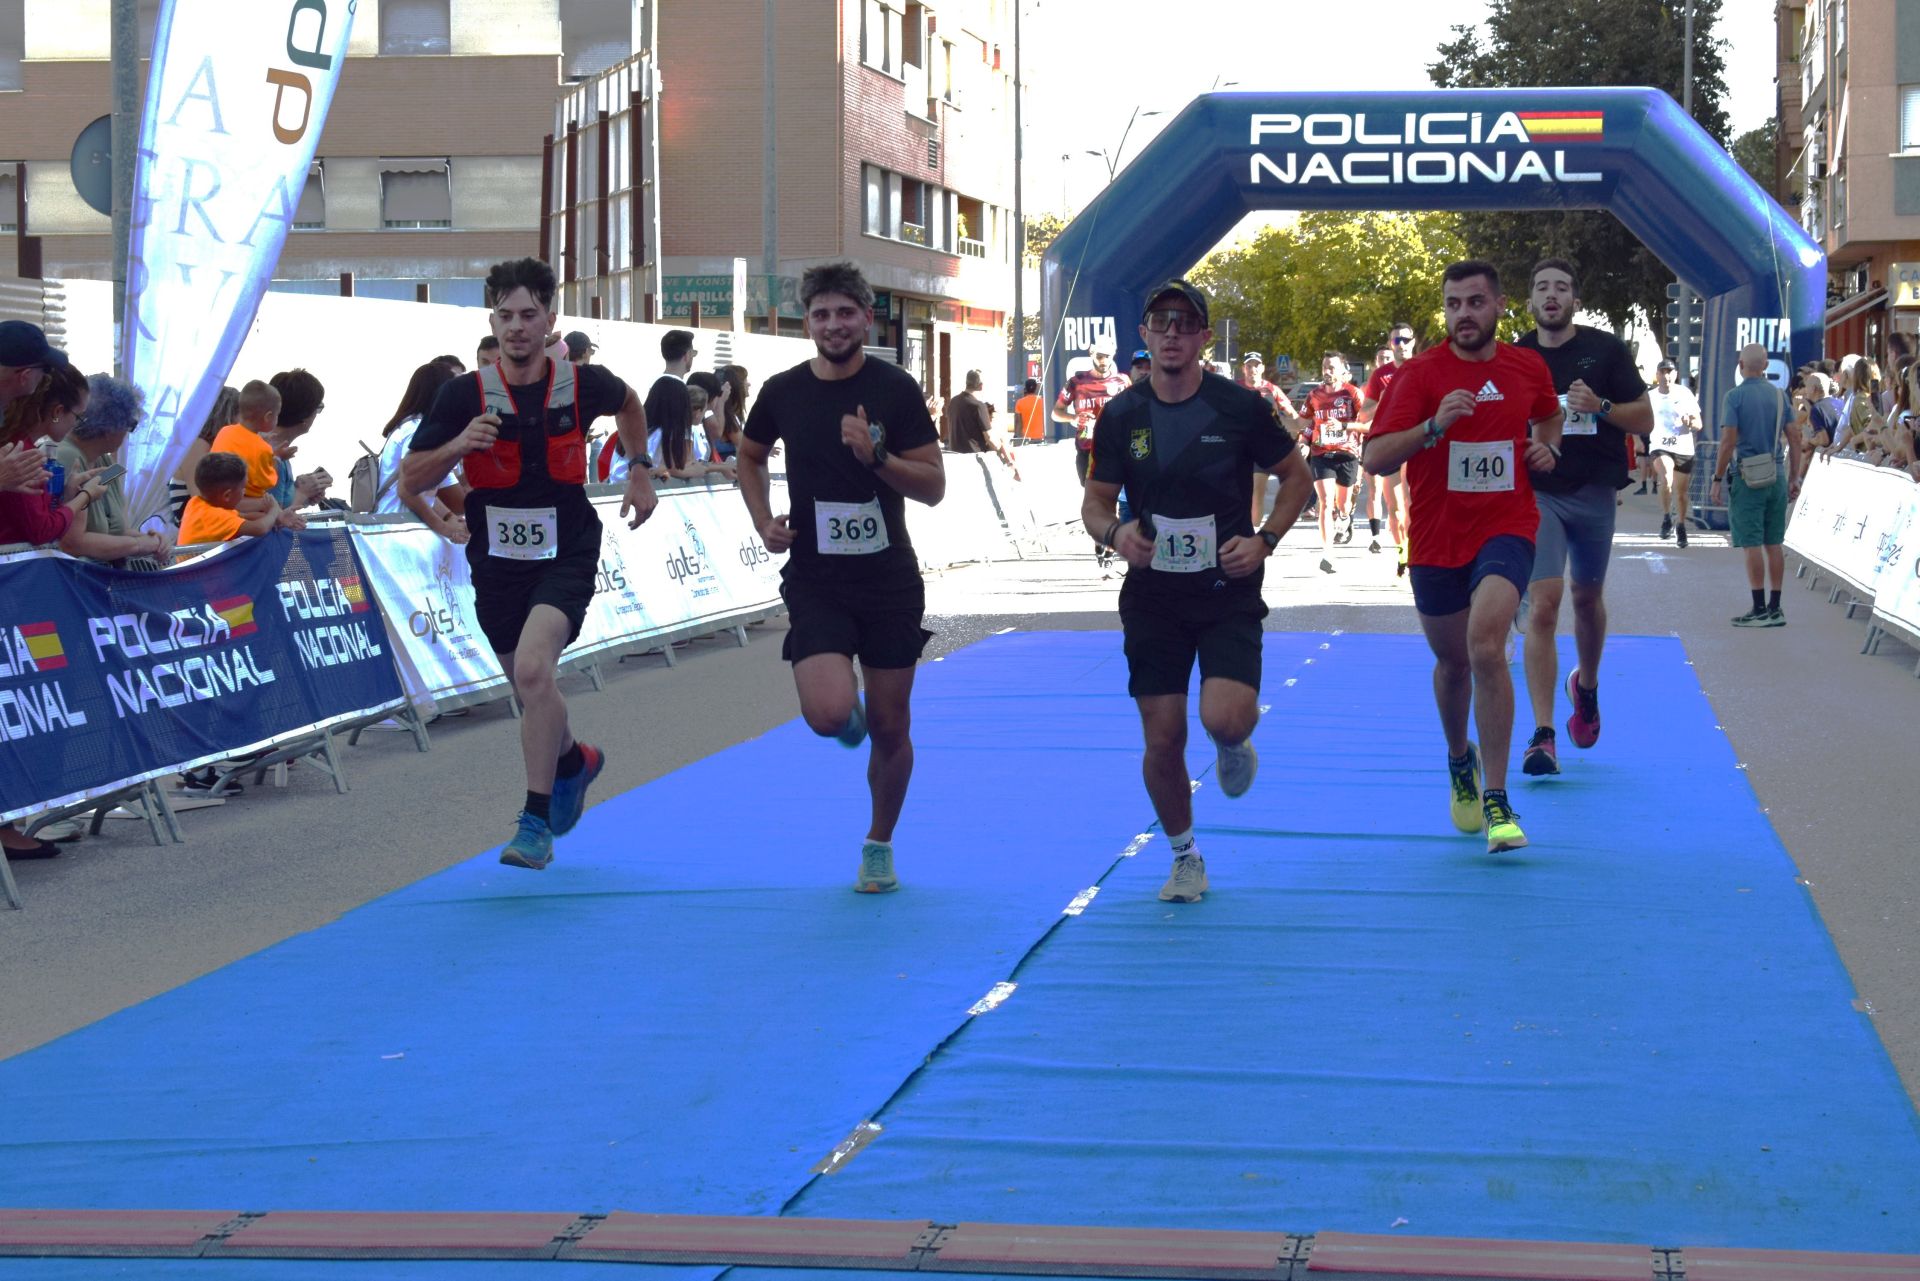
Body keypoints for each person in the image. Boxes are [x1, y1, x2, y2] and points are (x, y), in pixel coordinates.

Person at [405, 256, 658, 870]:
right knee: (530, 685)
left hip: (566, 547)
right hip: (495, 557)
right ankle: (574, 760)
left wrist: (640, 469)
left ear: (551, 319)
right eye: (505, 315)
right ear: (492, 319)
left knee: (536, 672)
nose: (517, 327)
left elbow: (630, 405)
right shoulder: (462, 394)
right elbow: (411, 477)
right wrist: (459, 445)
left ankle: (534, 823)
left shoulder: (583, 381)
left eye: (528, 315)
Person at [1081, 281, 1311, 903]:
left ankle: (1233, 742)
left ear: (1205, 338)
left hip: (1226, 586)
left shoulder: (1238, 406)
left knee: (1224, 718)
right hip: (1154, 594)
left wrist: (1264, 540)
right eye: (1162, 322)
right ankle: (1185, 856)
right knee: (1163, 737)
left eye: (1186, 323)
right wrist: (1116, 534)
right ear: (1145, 335)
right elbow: (1096, 504)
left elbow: (1298, 478)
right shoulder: (1122, 415)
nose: (1173, 333)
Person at [735, 261, 944, 895]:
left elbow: (934, 486)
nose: (833, 324)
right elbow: (749, 454)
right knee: (828, 714)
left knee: (890, 725)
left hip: (888, 581)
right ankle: (841, 715)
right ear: (809, 323)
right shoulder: (782, 391)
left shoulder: (896, 389)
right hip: (817, 577)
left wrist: (877, 456)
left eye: (845, 312)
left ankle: (878, 843)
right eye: (821, 314)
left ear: (866, 317)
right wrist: (763, 517)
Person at [1363, 260, 1563, 854]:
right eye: (1453, 304)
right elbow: (1374, 457)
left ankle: (1499, 800)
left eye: (1475, 302)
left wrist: (1545, 448)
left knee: (1485, 644)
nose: (1463, 314)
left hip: (1507, 525)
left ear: (1500, 305)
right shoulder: (1420, 374)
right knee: (1453, 664)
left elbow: (1549, 417)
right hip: (1436, 537)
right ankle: (1459, 759)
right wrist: (1431, 427)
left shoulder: (1526, 366)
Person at [1512, 259, 1651, 778]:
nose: (1552, 295)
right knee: (1544, 605)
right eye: (1542, 287)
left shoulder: (1606, 349)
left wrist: (1602, 405)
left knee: (1586, 599)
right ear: (1530, 301)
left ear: (1574, 299)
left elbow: (1645, 417)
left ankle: (1585, 687)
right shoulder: (1516, 357)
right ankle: (1544, 734)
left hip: (1593, 492)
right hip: (1539, 494)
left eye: (1562, 288)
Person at [1710, 343, 1801, 627]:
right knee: (1774, 542)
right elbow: (1795, 437)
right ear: (1765, 366)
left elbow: (1728, 441)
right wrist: (1795, 475)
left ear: (1740, 364)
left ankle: (1758, 608)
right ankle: (1775, 607)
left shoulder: (1734, 397)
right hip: (1776, 473)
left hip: (1749, 476)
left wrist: (1716, 478)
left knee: (1751, 543)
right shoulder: (1778, 396)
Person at [55, 374, 168, 563]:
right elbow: (73, 542)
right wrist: (139, 545)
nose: (128, 434)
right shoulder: (67, 457)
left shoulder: (106, 462)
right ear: (110, 428)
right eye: (130, 425)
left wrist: (153, 540)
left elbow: (117, 531)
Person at [375, 361, 467, 541]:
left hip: (402, 528)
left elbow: (437, 493)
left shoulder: (414, 427)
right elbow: (407, 490)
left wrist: (449, 518)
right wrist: (443, 527)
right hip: (401, 531)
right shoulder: (417, 430)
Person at [1302, 353, 1365, 573]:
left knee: (1342, 505)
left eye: (1332, 367)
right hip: (1322, 453)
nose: (1327, 371)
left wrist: (1344, 426)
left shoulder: (1352, 394)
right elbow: (1309, 422)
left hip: (1347, 453)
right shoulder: (1314, 395)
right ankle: (1327, 553)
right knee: (1326, 502)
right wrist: (1303, 440)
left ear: (1341, 370)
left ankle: (1346, 516)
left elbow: (1368, 425)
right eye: (1324, 366)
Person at [1359, 324, 1417, 556]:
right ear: (1391, 344)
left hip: (1419, 443)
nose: (1401, 344)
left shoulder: (1426, 368)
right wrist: (1382, 400)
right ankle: (1402, 553)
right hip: (1391, 444)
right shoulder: (1380, 376)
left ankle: (1417, 552)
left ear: (1413, 342)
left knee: (1414, 504)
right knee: (1394, 507)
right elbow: (1364, 414)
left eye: (1405, 340)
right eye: (1396, 341)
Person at [1237, 352, 1300, 527]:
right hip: (1238, 449)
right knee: (1239, 492)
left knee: (1257, 490)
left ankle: (1253, 532)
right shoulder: (1235, 388)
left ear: (1262, 368)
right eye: (1249, 366)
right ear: (1244, 369)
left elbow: (1292, 415)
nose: (1253, 370)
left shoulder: (1272, 389)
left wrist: (1300, 435)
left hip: (1261, 449)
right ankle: (1239, 526)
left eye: (1256, 366)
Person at [1646, 359, 1703, 546]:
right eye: (1662, 372)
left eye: (1669, 372)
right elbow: (1640, 420)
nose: (1666, 376)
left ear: (1675, 375)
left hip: (1683, 447)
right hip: (1660, 445)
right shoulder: (1650, 396)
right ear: (1657, 375)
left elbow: (1698, 424)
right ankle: (1665, 517)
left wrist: (1689, 422)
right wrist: (1639, 439)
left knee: (1681, 493)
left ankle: (1680, 525)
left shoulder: (1685, 394)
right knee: (1666, 478)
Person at [168, 387, 239, 524]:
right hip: (196, 530)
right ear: (227, 415)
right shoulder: (198, 446)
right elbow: (204, 498)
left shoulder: (211, 446)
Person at [178, 452, 283, 544]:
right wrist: (273, 511)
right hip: (200, 567)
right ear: (227, 495)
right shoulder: (216, 517)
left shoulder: (195, 502)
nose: (244, 491)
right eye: (243, 488)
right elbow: (260, 528)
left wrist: (278, 518)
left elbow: (244, 517)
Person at [942, 370, 994, 453]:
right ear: (981, 386)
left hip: (955, 455)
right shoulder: (979, 406)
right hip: (975, 457)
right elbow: (989, 438)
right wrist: (1000, 448)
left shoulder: (953, 401)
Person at [1012, 377, 1046, 444]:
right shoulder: (1042, 402)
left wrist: (1016, 436)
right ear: (1036, 388)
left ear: (1025, 388)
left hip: (1026, 438)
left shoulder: (1019, 402)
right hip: (1041, 437)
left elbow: (1018, 422)